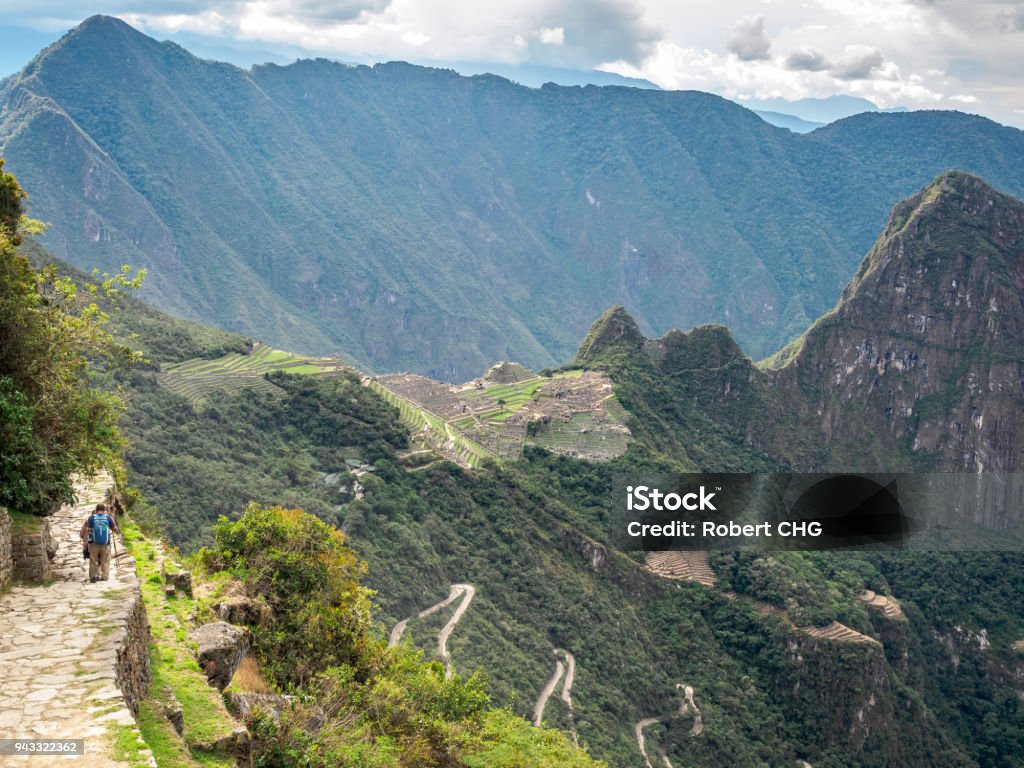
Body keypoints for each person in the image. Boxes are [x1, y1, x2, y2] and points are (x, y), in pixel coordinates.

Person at [80, 502, 120, 583]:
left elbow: (86, 530)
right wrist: (116, 532)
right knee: (105, 560)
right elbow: (115, 529)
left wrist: (85, 542)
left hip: (94, 543)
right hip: (106, 543)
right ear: (104, 510)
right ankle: (104, 577)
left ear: (96, 509)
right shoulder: (108, 517)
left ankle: (93, 577)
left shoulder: (91, 518)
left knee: (93, 560)